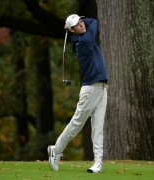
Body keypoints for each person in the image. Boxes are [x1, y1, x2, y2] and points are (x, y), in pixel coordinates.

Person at [47, 14, 108, 173]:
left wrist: (72, 24)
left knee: (98, 127)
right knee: (76, 124)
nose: (82, 25)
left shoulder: (81, 34)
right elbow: (94, 21)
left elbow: (91, 22)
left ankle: (98, 163)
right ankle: (57, 150)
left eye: (81, 21)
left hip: (101, 87)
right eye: (77, 25)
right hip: (90, 89)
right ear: (72, 31)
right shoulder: (83, 42)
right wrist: (71, 26)